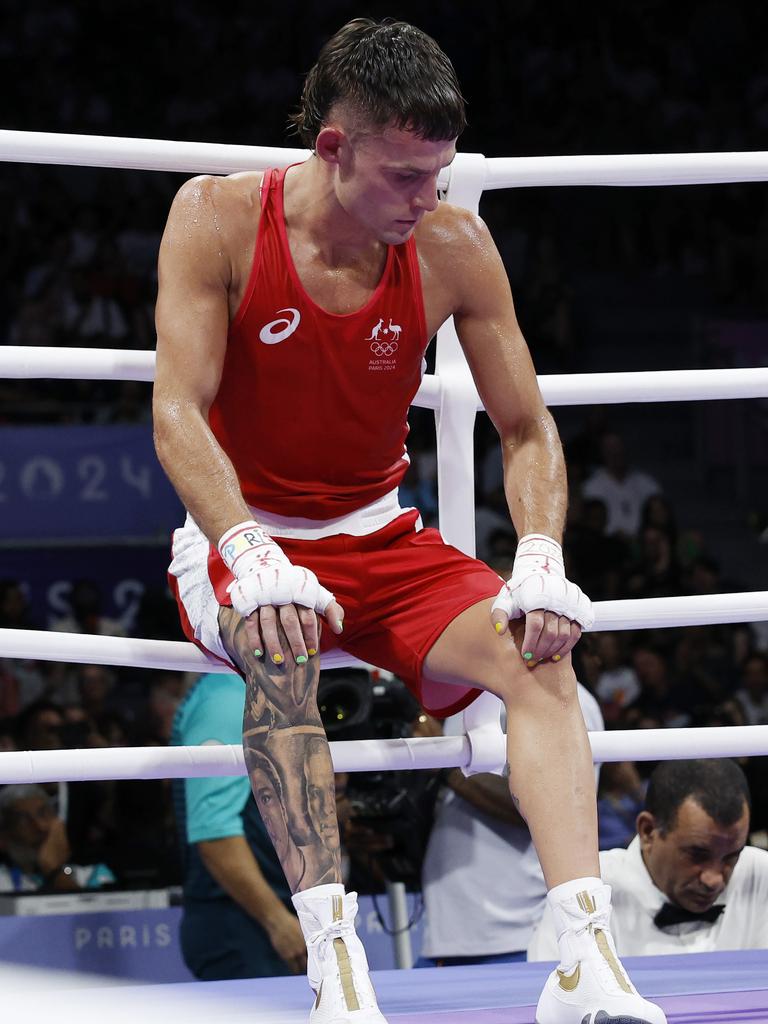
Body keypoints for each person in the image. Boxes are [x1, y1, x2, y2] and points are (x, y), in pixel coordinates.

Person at [154, 18, 665, 1024]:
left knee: (539, 648)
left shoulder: (449, 244)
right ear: (332, 148)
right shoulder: (214, 220)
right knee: (278, 640)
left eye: (439, 173)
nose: (426, 198)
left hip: (383, 536)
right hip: (240, 531)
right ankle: (336, 965)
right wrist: (248, 547)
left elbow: (525, 427)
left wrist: (542, 554)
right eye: (403, 176)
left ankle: (584, 958)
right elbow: (176, 409)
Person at [418, 683, 603, 967]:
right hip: (448, 936)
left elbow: (554, 806)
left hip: (517, 937)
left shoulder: (561, 695)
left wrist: (444, 765)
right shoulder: (468, 691)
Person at [528, 759, 768, 959]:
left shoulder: (759, 873)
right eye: (697, 855)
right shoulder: (585, 893)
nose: (714, 879)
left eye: (731, 857)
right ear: (648, 831)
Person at [171, 671, 307, 980]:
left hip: (273, 919)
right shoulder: (227, 699)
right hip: (245, 925)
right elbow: (213, 831)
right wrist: (276, 920)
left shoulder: (255, 692)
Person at [0, 784, 114, 893]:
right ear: (3, 837)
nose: (41, 826)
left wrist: (55, 871)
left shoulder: (94, 874)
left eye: (43, 813)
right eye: (23, 820)